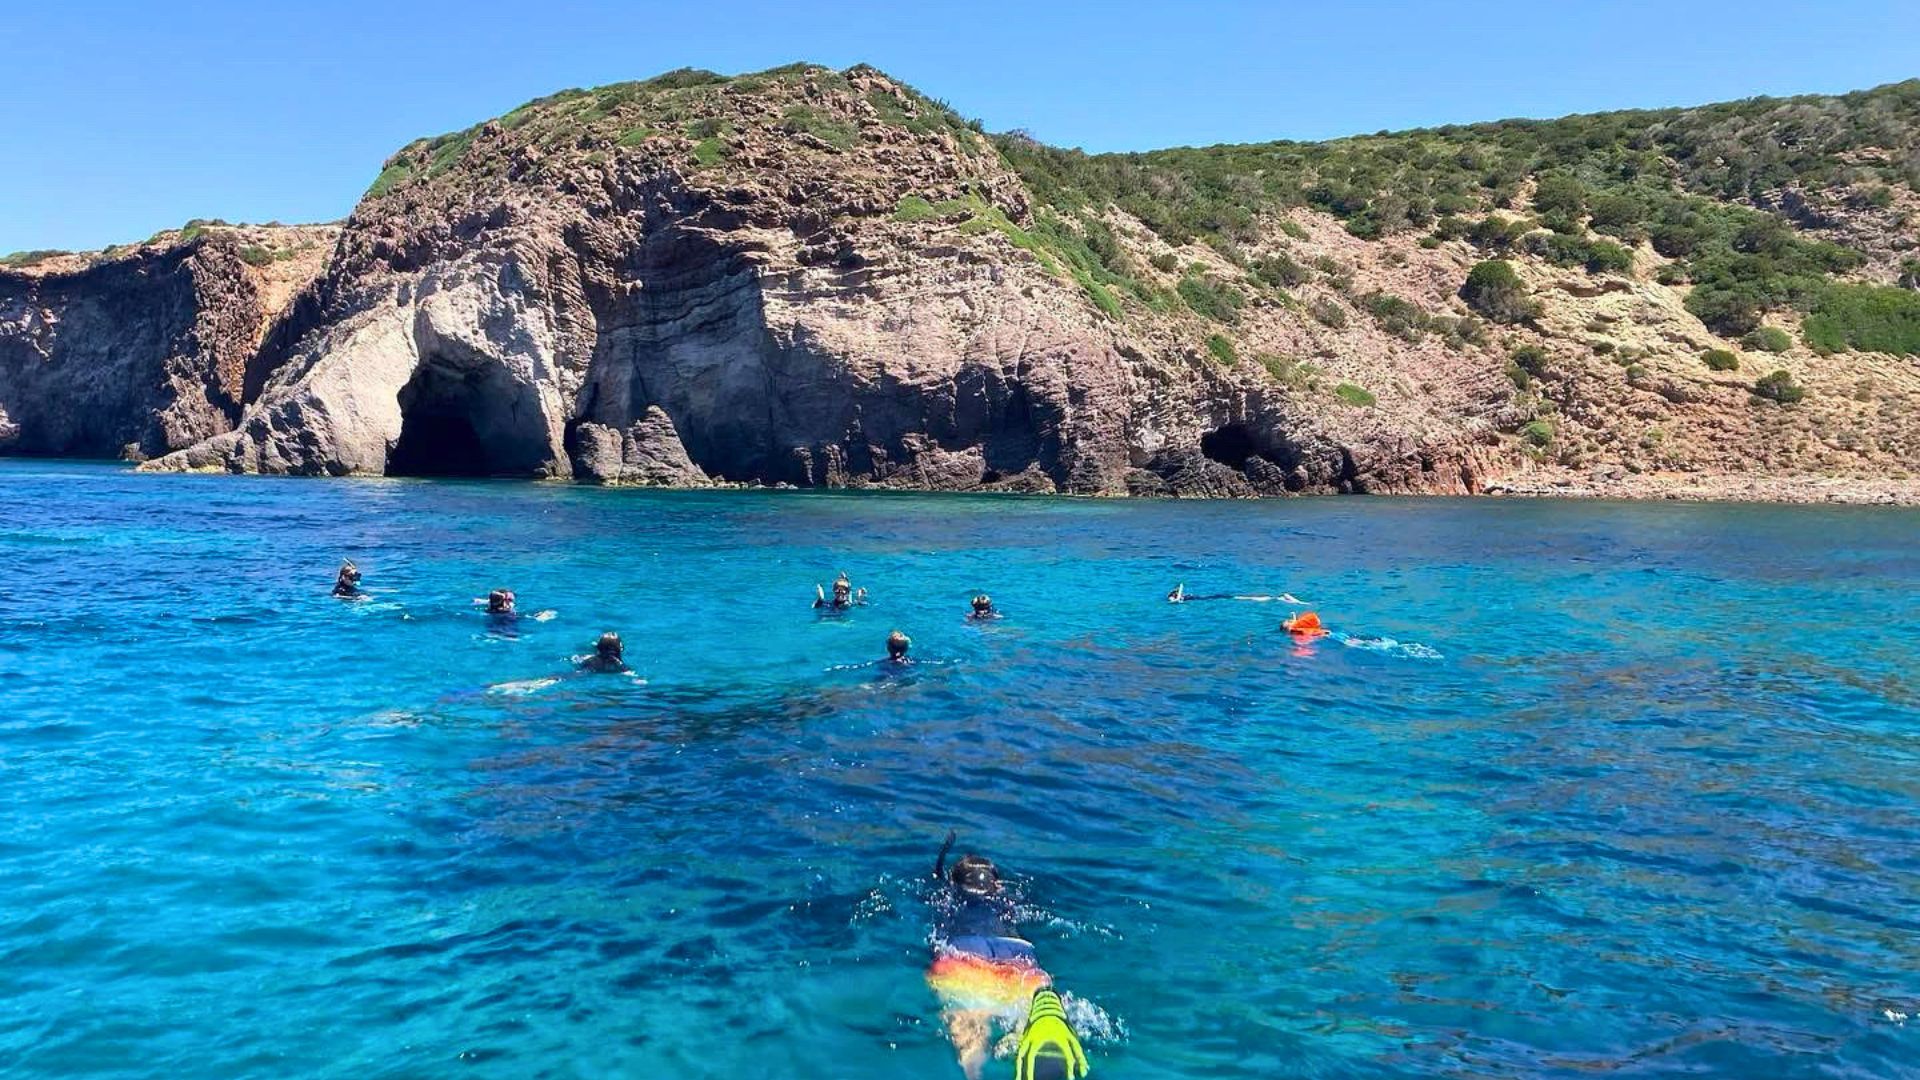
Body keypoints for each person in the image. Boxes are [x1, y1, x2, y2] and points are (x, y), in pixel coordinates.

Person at [926, 834, 1087, 1080]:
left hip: (963, 957)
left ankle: (974, 1072)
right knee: (1028, 1012)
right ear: (997, 886)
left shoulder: (947, 897)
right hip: (1016, 957)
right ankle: (1032, 1031)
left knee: (971, 1031)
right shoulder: (1007, 900)